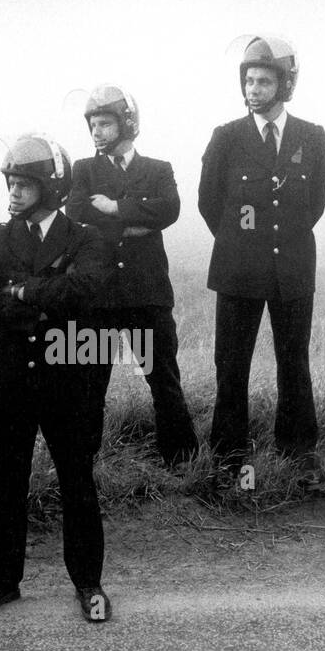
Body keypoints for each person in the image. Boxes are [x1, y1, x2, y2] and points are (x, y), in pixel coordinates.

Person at [0, 133, 111, 623]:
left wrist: (23, 291)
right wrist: (43, 304)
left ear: (49, 188)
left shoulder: (86, 238)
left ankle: (88, 582)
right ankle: (1, 584)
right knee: (5, 486)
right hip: (8, 384)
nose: (12, 192)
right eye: (10, 182)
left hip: (69, 383)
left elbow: (86, 291)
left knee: (78, 484)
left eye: (23, 184)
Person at [198, 34, 325, 478]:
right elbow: (210, 203)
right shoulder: (227, 137)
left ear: (285, 84)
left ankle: (298, 449)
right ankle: (230, 454)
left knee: (294, 362)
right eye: (249, 81)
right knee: (232, 364)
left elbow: (314, 206)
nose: (253, 89)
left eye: (264, 81)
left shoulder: (311, 138)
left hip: (292, 269)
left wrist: (280, 241)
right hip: (238, 270)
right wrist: (242, 242)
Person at [64, 84, 199, 466]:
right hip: (99, 297)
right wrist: (132, 221)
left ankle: (183, 461)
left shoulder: (158, 169)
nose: (97, 132)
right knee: (90, 383)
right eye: (92, 124)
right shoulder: (84, 169)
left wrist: (112, 206)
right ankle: (81, 463)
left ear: (126, 123)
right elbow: (76, 213)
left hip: (148, 294)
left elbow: (169, 209)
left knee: (164, 379)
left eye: (104, 123)